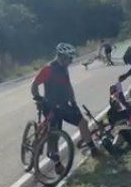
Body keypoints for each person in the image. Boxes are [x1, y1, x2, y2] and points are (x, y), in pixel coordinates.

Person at [31, 43, 99, 172]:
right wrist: (38, 98)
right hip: (50, 106)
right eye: (69, 58)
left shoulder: (64, 69)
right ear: (61, 56)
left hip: (64, 105)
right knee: (54, 133)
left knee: (82, 122)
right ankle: (56, 163)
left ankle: (93, 149)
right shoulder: (48, 69)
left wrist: (73, 102)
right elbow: (34, 84)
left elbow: (68, 87)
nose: (71, 61)